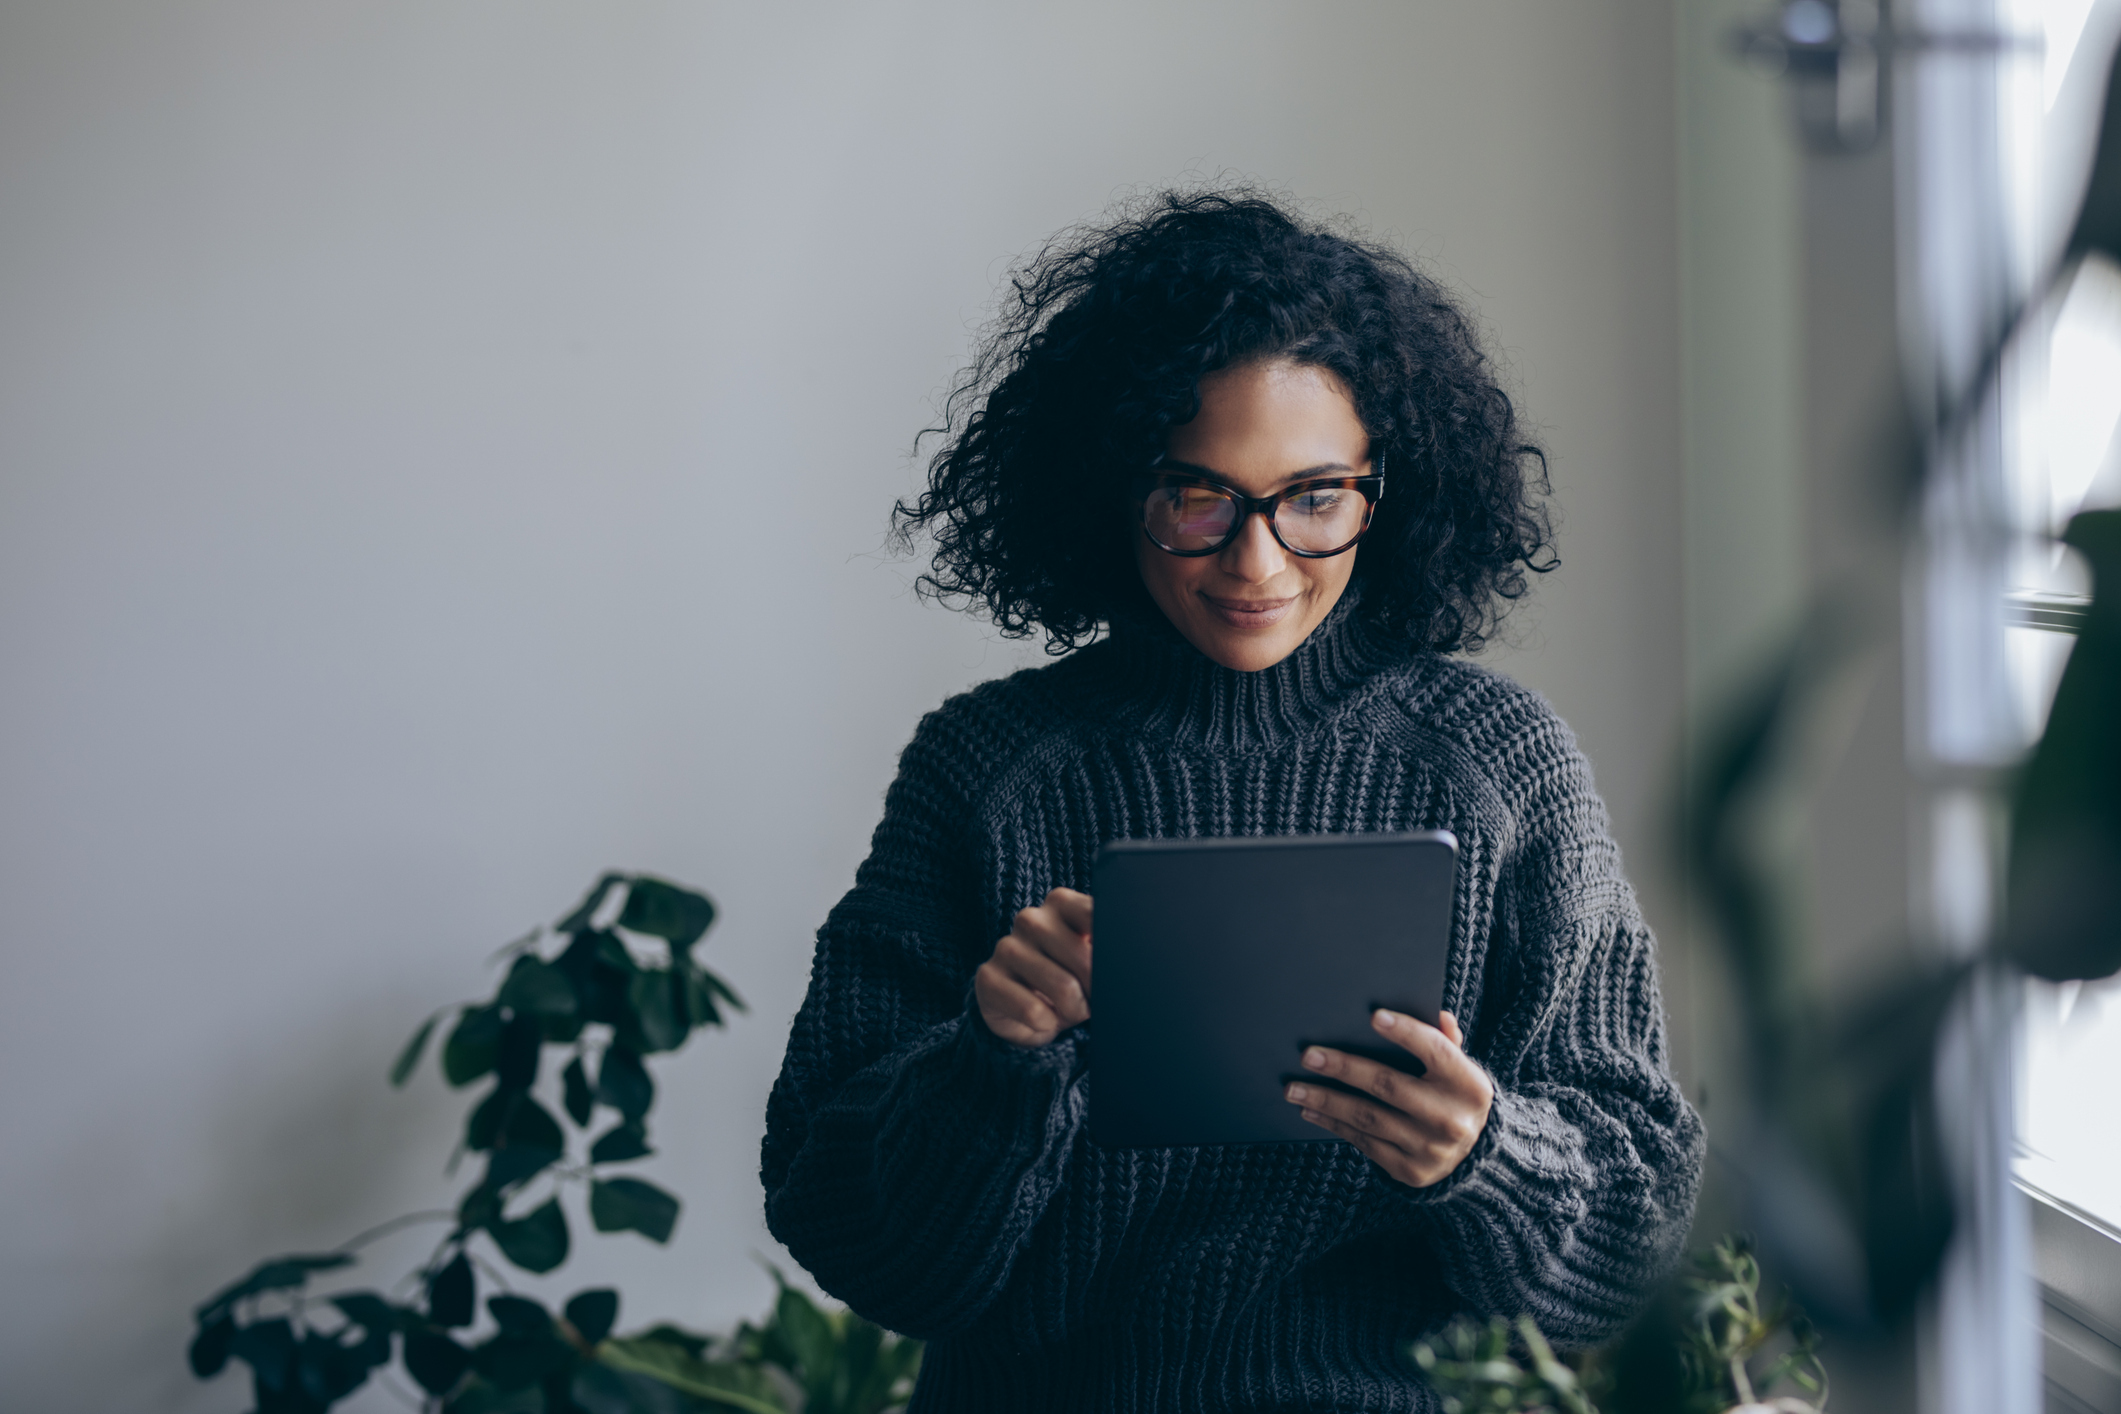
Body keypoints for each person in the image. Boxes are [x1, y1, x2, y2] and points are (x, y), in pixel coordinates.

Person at [759, 190, 1704, 1412]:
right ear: (1114, 486)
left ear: (1386, 492)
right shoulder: (988, 768)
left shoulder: (1499, 764)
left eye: (1315, 499)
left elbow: (1642, 1234)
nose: (1256, 563)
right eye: (1197, 497)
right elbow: (841, 1219)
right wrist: (990, 1062)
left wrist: (1486, 1159)